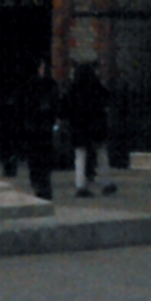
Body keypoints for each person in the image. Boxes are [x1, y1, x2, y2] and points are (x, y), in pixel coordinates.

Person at [65, 61, 116, 198]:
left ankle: (80, 185)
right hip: (96, 126)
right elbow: (107, 99)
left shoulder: (73, 88)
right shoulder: (96, 86)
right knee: (102, 155)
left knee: (80, 156)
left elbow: (65, 107)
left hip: (78, 127)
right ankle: (106, 183)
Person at [22, 59, 59, 200]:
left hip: (35, 128)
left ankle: (39, 184)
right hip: (43, 128)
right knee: (42, 159)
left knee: (36, 160)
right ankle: (43, 185)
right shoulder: (47, 85)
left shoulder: (30, 86)